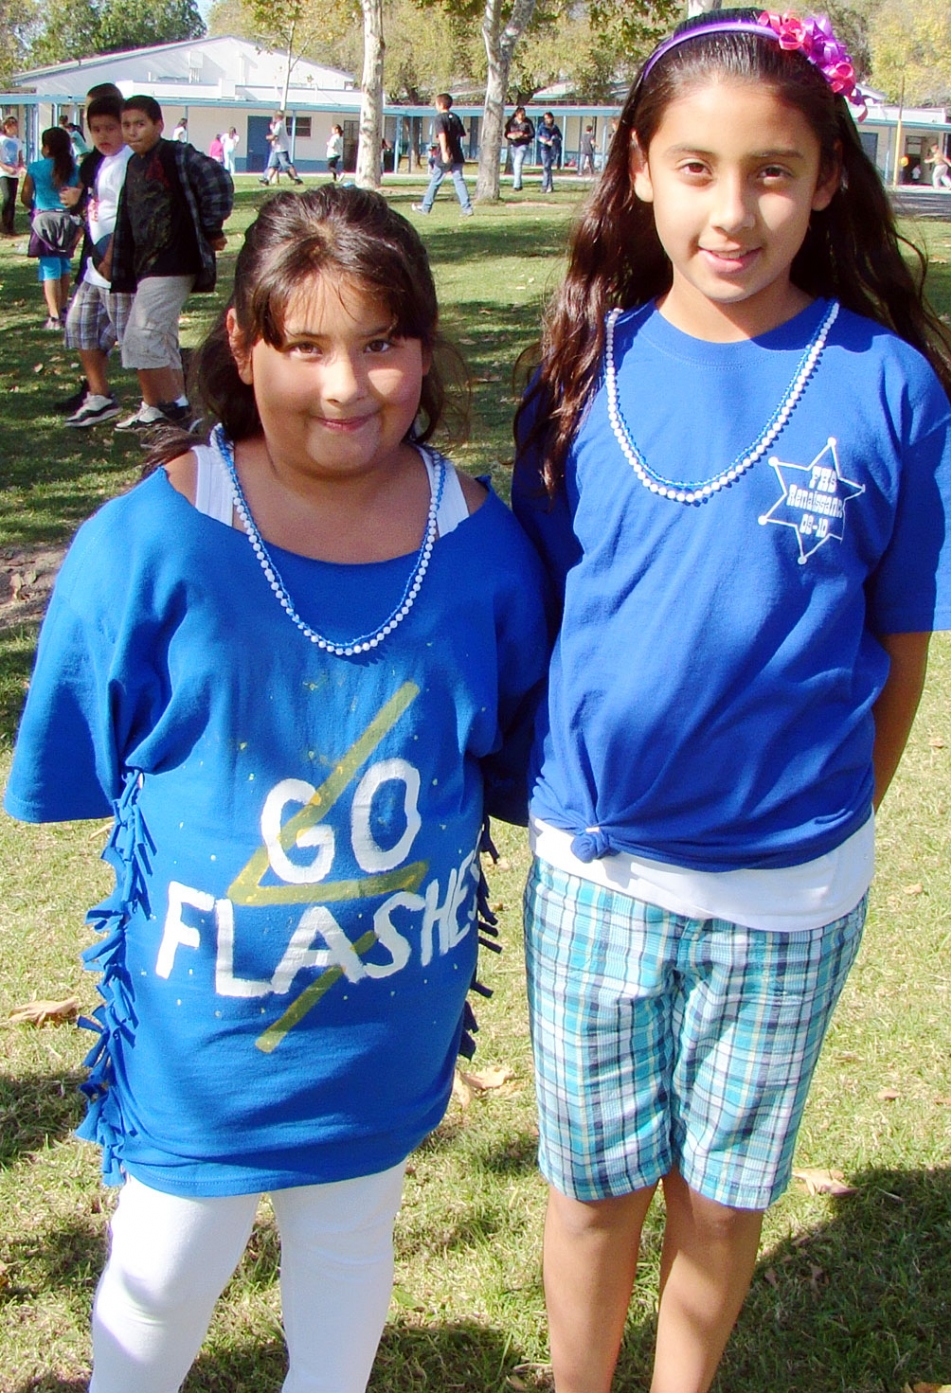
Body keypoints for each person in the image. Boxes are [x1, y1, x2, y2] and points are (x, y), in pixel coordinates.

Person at [4, 183, 548, 1392]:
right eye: (304, 346)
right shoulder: (147, 544)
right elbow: (79, 763)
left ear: (424, 349)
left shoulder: (480, 544)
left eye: (381, 343)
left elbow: (504, 749)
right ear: (242, 348)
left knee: (351, 1241)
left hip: (385, 1027)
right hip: (205, 1037)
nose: (345, 386)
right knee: (165, 1263)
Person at [512, 10, 951, 1393]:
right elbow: (542, 621)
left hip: (789, 891)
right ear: (638, 170)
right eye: (696, 167)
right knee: (594, 1188)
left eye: (771, 171)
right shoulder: (579, 372)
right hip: (595, 870)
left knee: (720, 1192)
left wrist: (822, 825)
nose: (732, 208)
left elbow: (899, 654)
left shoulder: (886, 387)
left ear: (827, 177)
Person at [109, 94, 234, 435]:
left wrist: (211, 228)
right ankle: (165, 407)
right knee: (161, 337)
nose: (132, 132)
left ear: (158, 125)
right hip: (146, 264)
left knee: (142, 335)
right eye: (127, 126)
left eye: (140, 124)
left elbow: (217, 180)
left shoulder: (175, 155)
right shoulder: (134, 164)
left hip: (175, 261)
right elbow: (129, 217)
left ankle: (175, 409)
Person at [61, 92, 134, 427]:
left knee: (135, 338)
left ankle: (167, 404)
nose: (104, 136)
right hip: (95, 264)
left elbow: (130, 214)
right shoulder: (99, 162)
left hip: (117, 262)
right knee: (80, 327)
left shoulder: (128, 163)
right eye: (96, 129)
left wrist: (113, 256)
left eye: (110, 128)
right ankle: (99, 395)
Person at [21, 126, 80, 329]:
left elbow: (25, 197)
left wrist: (35, 208)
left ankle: (54, 317)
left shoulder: (36, 168)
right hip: (68, 220)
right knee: (64, 266)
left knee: (49, 268)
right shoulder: (75, 169)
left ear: (46, 148)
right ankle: (64, 309)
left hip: (45, 220)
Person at [412, 94, 473, 217]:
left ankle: (425, 207)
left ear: (440, 104)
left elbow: (442, 135)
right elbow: (460, 134)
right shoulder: (455, 117)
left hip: (445, 153)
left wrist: (444, 152)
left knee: (435, 181)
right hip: (457, 153)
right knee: (459, 180)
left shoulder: (439, 118)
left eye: (436, 104)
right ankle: (467, 208)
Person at [259, 111, 303, 186]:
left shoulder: (279, 125)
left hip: (281, 148)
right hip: (276, 149)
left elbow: (274, 136)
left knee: (287, 165)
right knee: (273, 165)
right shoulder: (279, 124)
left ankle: (297, 179)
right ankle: (267, 180)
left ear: (277, 117)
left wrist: (267, 137)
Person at [0, 114, 23, 236]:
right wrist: (6, 168)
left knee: (13, 200)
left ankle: (11, 226)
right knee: (7, 197)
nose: (15, 127)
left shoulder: (17, 141)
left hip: (15, 174)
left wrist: (20, 166)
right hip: (4, 173)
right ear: (6, 126)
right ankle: (3, 223)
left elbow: (20, 157)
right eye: (12, 125)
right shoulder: (1, 140)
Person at [504, 106, 535, 191]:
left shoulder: (528, 122)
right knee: (516, 165)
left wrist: (524, 135)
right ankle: (519, 184)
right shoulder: (511, 122)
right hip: (513, 145)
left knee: (517, 163)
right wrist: (511, 135)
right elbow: (506, 133)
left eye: (524, 114)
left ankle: (516, 185)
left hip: (523, 145)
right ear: (517, 114)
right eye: (521, 114)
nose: (523, 116)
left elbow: (532, 134)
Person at [536, 111, 562, 193]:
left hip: (552, 149)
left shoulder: (555, 127)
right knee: (546, 167)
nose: (547, 120)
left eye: (548, 118)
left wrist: (554, 139)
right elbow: (537, 136)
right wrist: (544, 141)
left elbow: (560, 137)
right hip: (544, 148)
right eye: (545, 118)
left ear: (552, 118)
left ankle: (547, 186)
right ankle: (547, 186)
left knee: (547, 167)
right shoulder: (542, 127)